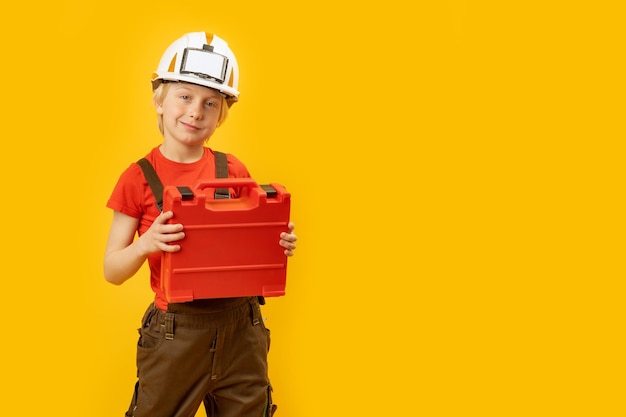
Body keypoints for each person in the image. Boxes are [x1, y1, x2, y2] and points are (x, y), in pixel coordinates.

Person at [103, 32, 297, 417]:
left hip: (243, 330)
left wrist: (277, 242)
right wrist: (147, 243)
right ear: (159, 101)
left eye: (211, 103)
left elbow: (245, 245)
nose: (195, 111)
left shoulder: (233, 171)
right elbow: (112, 270)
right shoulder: (137, 178)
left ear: (221, 115)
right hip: (176, 334)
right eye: (185, 97)